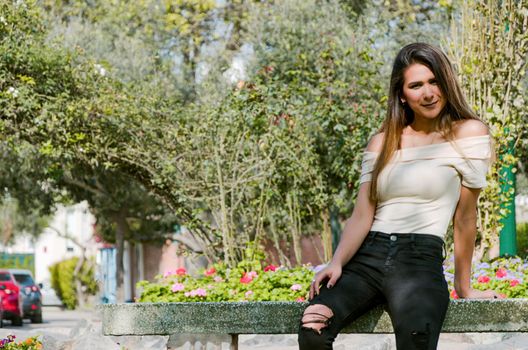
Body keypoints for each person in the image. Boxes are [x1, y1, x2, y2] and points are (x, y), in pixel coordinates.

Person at [297, 42, 500, 350]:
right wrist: (337, 261)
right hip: (368, 257)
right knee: (313, 323)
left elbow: (465, 217)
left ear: (446, 84)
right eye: (416, 85)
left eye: (434, 82)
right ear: (402, 94)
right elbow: (363, 213)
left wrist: (464, 286)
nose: (428, 93)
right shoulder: (382, 142)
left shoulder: (469, 134)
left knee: (417, 340)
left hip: (420, 260)